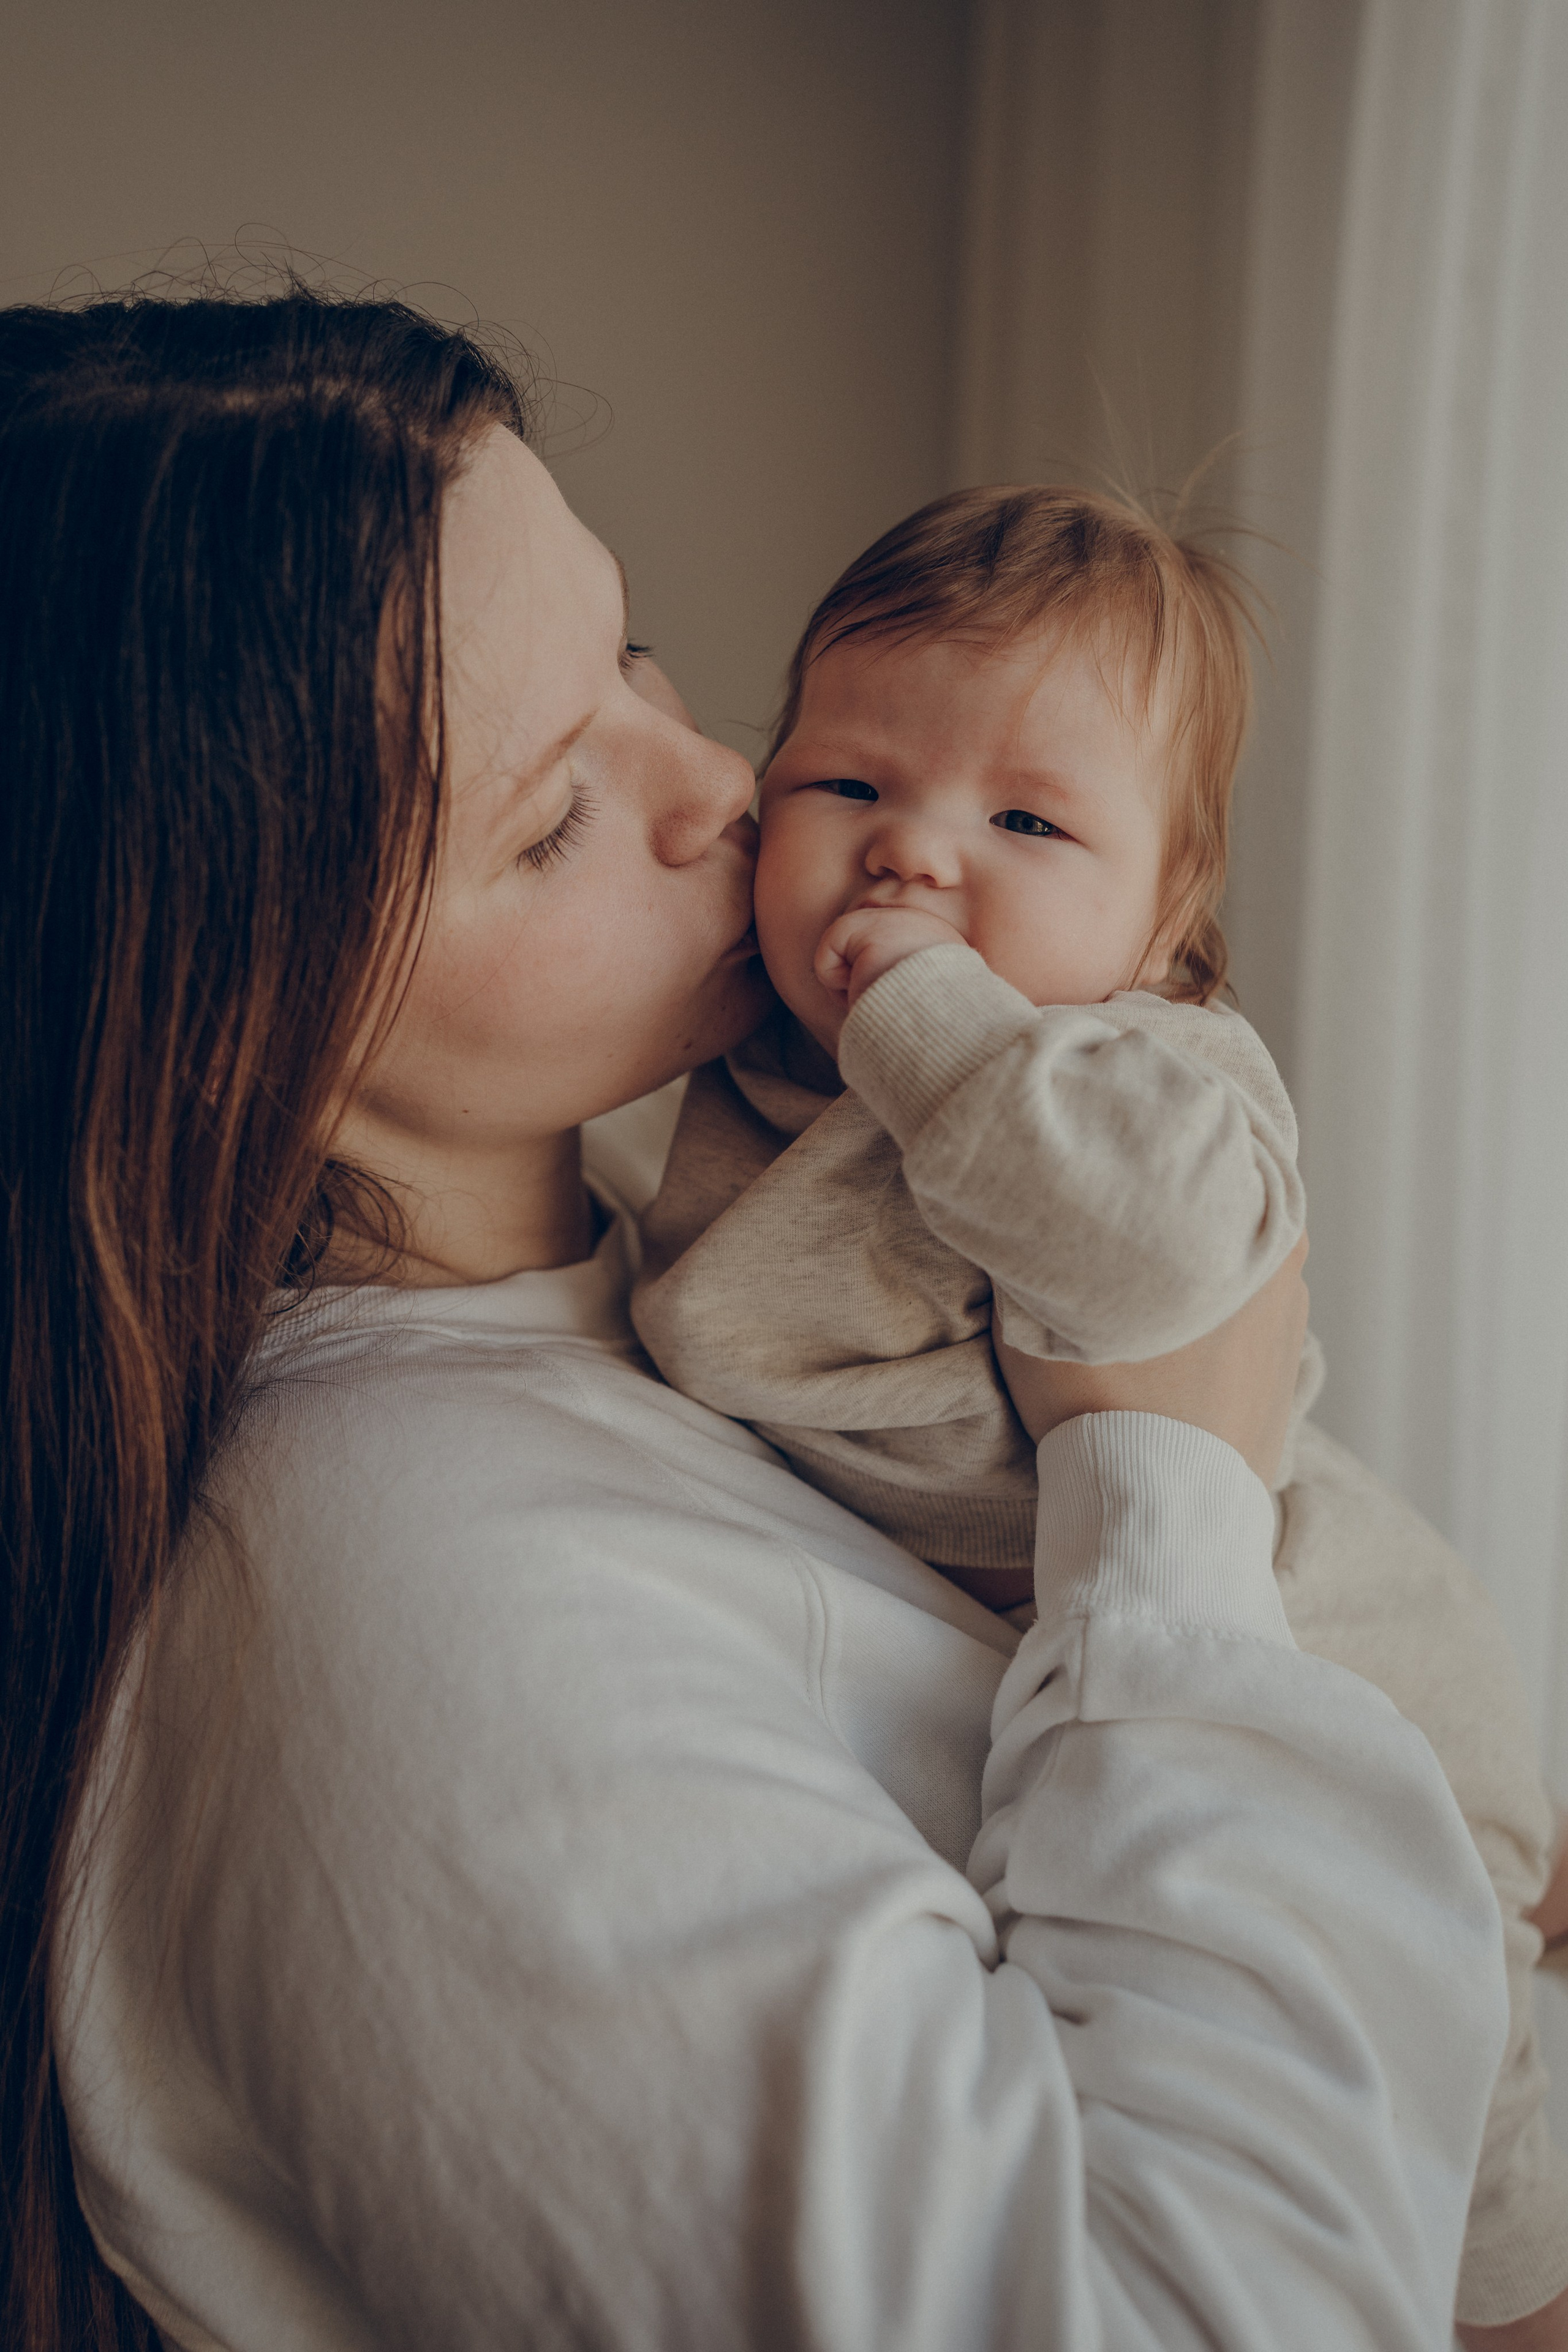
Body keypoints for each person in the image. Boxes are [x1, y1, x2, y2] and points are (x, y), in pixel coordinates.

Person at [0, 286, 1519, 2351]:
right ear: (221, 1032)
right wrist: (1165, 1472)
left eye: (630, 647)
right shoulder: (402, 1625)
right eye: (551, 815)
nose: (722, 778)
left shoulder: (650, 1257)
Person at [629, 486, 1568, 2335]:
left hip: (1336, 1666)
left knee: (1475, 2129)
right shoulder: (738, 1057)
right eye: (846, 788)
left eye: (1028, 821)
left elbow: (1152, 1263)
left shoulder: (1138, 1071)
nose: (910, 858)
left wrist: (931, 1021)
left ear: (1168, 920)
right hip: (1101, 1669)